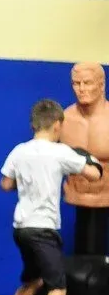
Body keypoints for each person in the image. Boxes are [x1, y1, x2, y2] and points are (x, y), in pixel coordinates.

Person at [0, 99, 104, 295]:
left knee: (33, 280)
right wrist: (88, 158)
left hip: (21, 228)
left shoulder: (19, 151)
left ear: (34, 124)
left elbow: (6, 184)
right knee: (58, 287)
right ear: (58, 125)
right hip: (43, 230)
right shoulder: (61, 152)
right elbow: (94, 175)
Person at [59, 62, 109, 255]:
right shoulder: (65, 119)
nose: (81, 89)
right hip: (76, 195)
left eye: (87, 83)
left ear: (101, 84)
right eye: (76, 83)